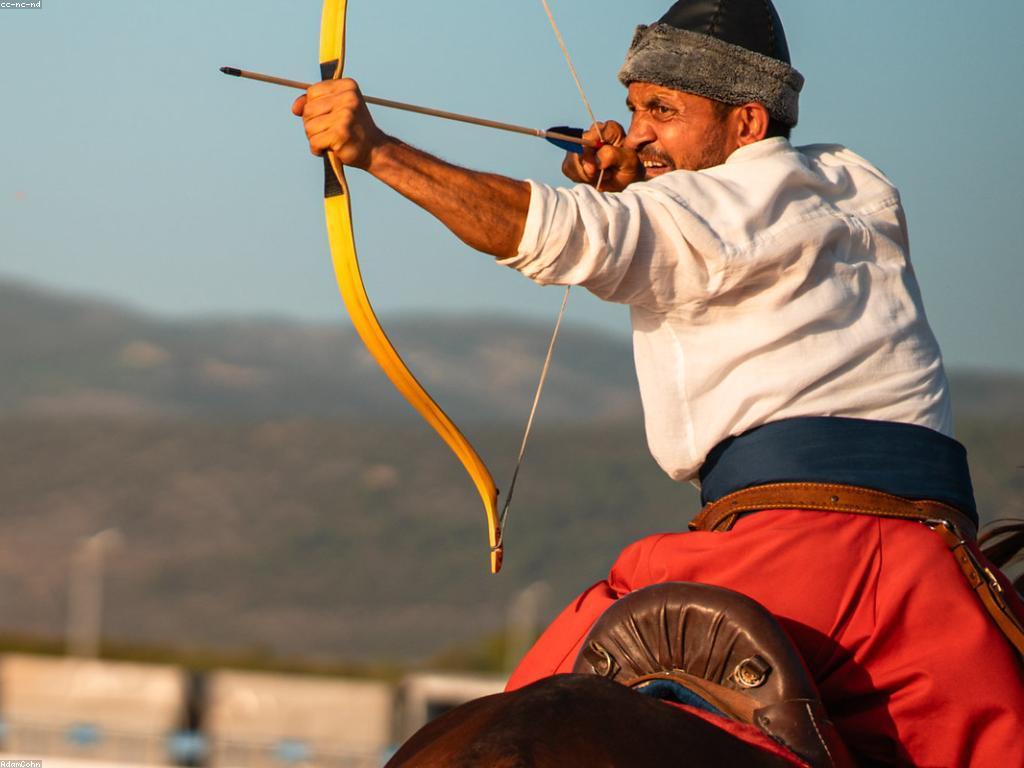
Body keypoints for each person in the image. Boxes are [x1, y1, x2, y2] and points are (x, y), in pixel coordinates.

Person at [293, 1, 1024, 764]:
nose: (636, 132)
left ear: (745, 124)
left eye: (663, 111)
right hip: (928, 573)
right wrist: (643, 177)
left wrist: (376, 151)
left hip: (786, 561)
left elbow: (557, 234)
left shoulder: (696, 211)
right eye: (634, 110)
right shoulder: (855, 181)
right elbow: (725, 223)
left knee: (518, 713)